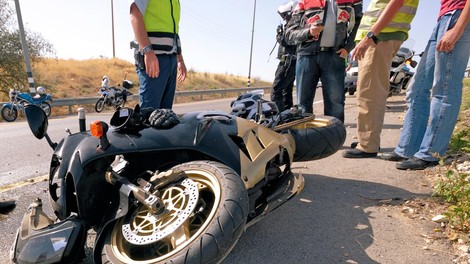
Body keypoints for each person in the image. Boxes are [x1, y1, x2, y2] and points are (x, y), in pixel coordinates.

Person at [381, 0, 470, 170]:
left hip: (457, 17)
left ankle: (431, 153)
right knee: (417, 89)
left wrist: (458, 29)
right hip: (443, 19)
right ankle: (408, 148)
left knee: (445, 88)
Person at [342, 0, 419, 158]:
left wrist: (371, 35)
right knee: (368, 91)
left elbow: (396, 3)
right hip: (379, 36)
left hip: (380, 37)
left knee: (370, 92)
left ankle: (368, 145)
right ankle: (368, 140)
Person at [285, 0, 363, 123]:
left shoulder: (353, 1)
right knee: (303, 106)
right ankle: (305, 140)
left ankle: (335, 141)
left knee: (335, 105)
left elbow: (360, 24)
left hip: (335, 57)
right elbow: (289, 33)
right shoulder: (304, 2)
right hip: (306, 57)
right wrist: (308, 33)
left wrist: (348, 48)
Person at [129, 0, 187, 109]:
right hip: (153, 59)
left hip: (171, 60)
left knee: (164, 117)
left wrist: (180, 60)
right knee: (150, 115)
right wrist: (148, 51)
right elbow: (135, 14)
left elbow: (175, 32)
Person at [270, 1, 298, 112]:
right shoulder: (293, 24)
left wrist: (279, 35)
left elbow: (286, 41)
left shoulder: (294, 25)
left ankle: (280, 118)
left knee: (276, 92)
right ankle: (288, 117)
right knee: (286, 92)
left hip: (288, 63)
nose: (284, 18)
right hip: (289, 62)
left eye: (285, 15)